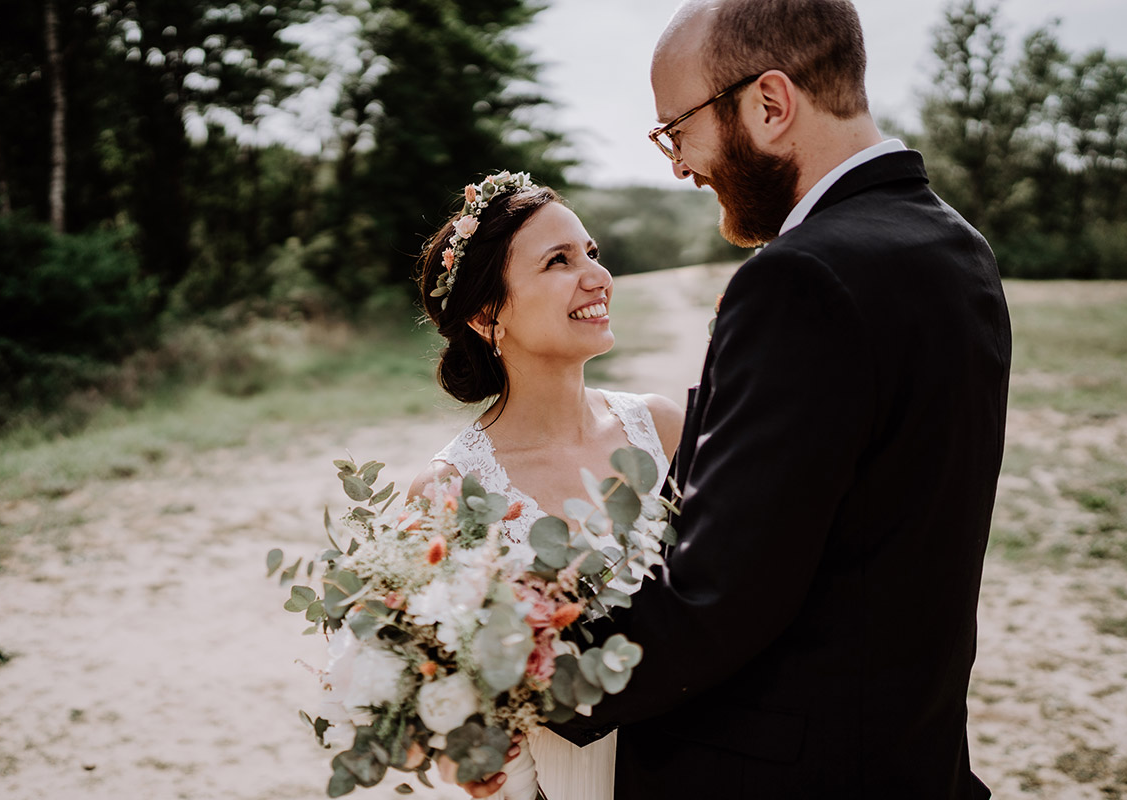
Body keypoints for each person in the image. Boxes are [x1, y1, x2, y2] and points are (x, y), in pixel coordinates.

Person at [467, 0, 1013, 797]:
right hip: (906, 754)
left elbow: (719, 594)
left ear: (768, 104)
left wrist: (519, 678)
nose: (679, 166)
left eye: (677, 129)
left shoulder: (801, 279)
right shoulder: (956, 247)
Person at [408, 171, 685, 800]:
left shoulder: (662, 428)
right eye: (559, 261)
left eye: (592, 253)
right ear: (486, 313)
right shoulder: (450, 489)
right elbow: (434, 693)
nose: (596, 277)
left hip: (698, 757)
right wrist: (463, 756)